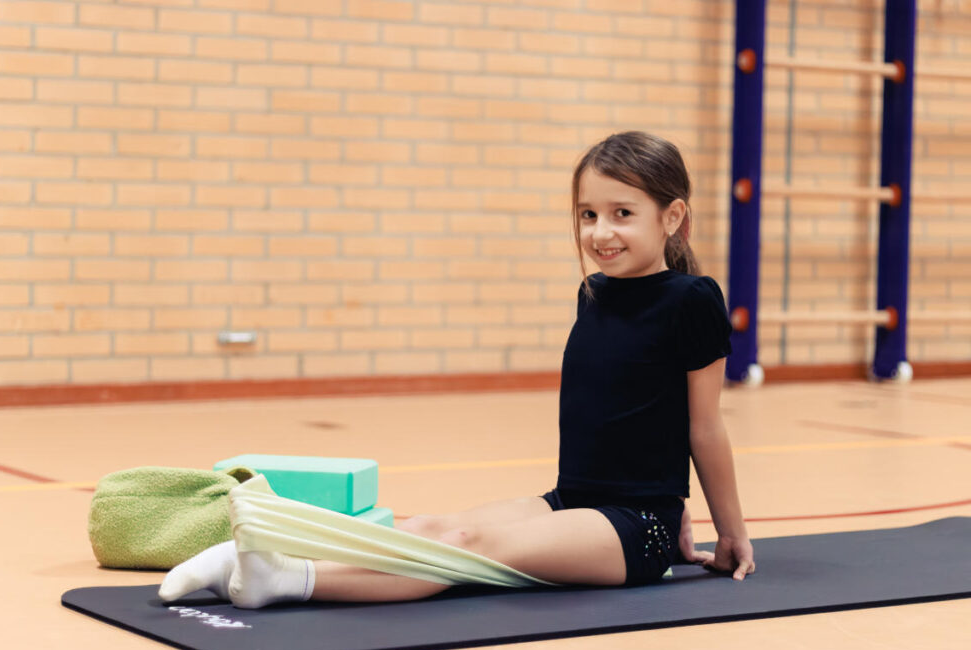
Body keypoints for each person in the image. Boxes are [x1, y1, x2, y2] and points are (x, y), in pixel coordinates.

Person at [160, 131, 756, 608]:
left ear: (672, 216)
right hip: (571, 501)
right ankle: (249, 564)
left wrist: (727, 531)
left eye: (622, 213)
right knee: (429, 526)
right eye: (587, 214)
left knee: (466, 548)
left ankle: (288, 581)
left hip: (636, 527)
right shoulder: (594, 292)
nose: (601, 232)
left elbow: (703, 427)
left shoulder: (692, 299)